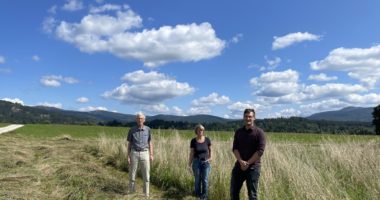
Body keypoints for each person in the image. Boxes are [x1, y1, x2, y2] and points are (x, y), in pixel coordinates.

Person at [230, 108, 266, 200]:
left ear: (254, 118)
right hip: (239, 166)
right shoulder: (239, 132)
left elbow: (260, 151)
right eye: (246, 116)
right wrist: (241, 161)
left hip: (253, 168)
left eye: (250, 116)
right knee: (234, 192)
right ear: (243, 117)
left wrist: (248, 163)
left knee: (252, 195)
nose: (248, 118)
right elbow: (235, 148)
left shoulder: (259, 133)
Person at [127, 112, 153, 198]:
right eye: (138, 118)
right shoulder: (132, 130)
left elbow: (150, 142)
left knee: (146, 175)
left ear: (144, 120)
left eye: (141, 118)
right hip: (134, 153)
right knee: (132, 174)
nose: (140, 120)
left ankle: (146, 194)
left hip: (145, 153)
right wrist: (128, 156)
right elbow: (129, 144)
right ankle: (131, 192)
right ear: (136, 119)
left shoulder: (148, 129)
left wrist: (151, 154)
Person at [188, 124, 212, 200]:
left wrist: (210, 158)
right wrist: (189, 164)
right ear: (196, 131)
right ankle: (197, 195)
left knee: (205, 180)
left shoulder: (207, 139)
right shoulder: (193, 141)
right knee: (197, 179)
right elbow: (191, 153)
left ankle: (204, 197)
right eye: (199, 130)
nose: (200, 131)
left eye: (202, 130)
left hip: (206, 162)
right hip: (196, 162)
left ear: (203, 131)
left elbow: (210, 150)